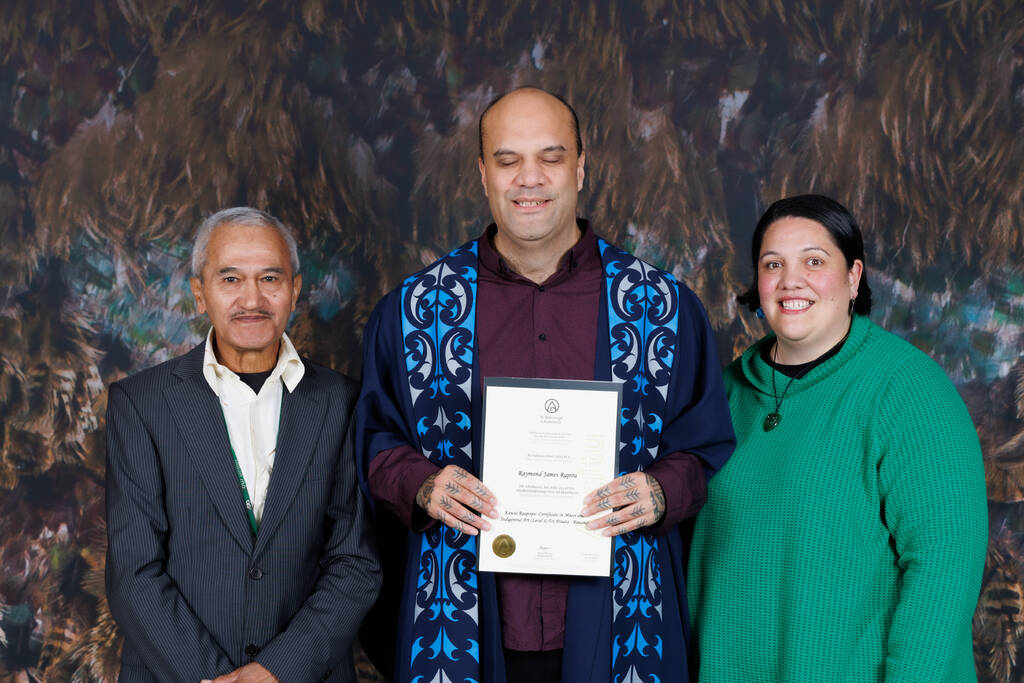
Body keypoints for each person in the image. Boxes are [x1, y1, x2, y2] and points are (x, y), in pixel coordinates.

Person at [355, 87, 735, 682]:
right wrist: (424, 486)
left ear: (581, 167)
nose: (529, 178)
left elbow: (703, 443)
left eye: (551, 157)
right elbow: (375, 438)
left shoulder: (660, 306)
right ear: (483, 173)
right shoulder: (415, 309)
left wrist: (659, 491)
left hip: (619, 616)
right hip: (462, 619)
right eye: (508, 160)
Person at [687, 194, 988, 681]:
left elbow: (944, 571)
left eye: (813, 261)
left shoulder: (909, 391)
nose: (791, 281)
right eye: (773, 264)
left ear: (852, 277)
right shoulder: (723, 395)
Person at [105, 207, 381, 683]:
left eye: (269, 278)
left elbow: (354, 564)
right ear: (199, 293)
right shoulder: (141, 404)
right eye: (230, 278)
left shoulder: (344, 403)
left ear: (295, 289)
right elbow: (134, 573)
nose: (252, 299)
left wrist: (275, 671)